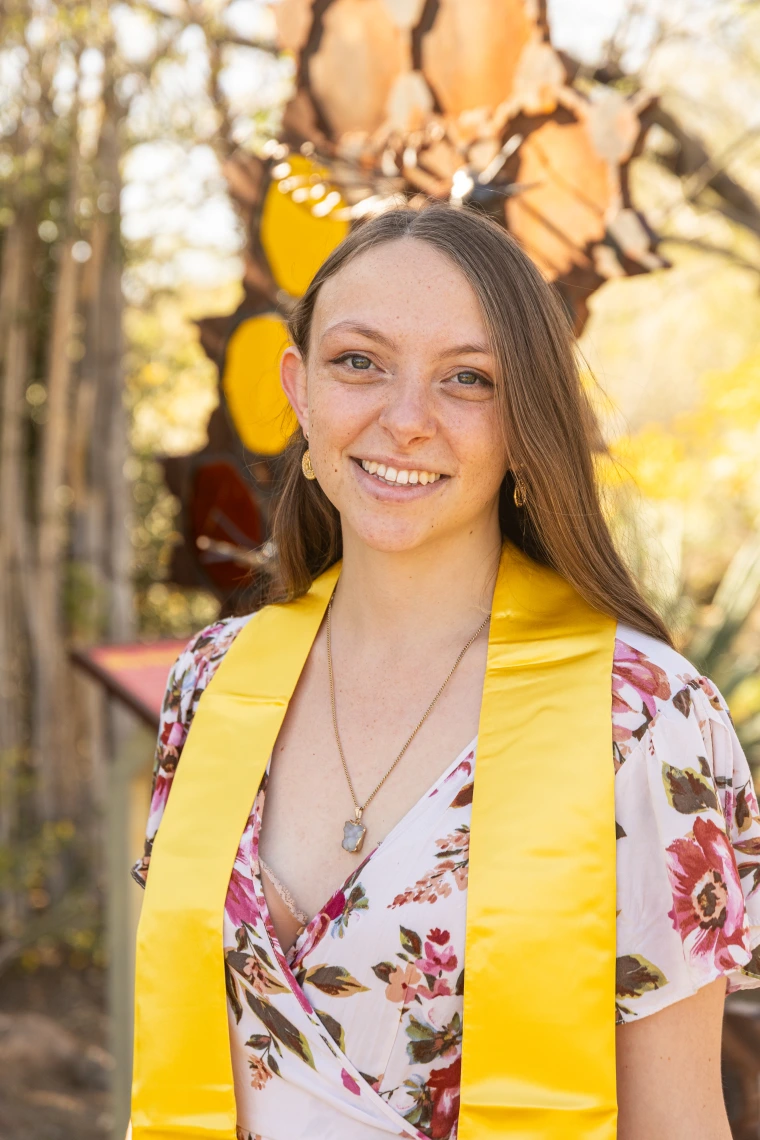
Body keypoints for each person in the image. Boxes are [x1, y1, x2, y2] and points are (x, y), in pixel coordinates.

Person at [130, 204, 760, 1140]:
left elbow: (676, 1123)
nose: (406, 421)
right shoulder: (212, 682)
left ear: (527, 421)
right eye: (359, 363)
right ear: (299, 392)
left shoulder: (644, 721)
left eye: (467, 379)